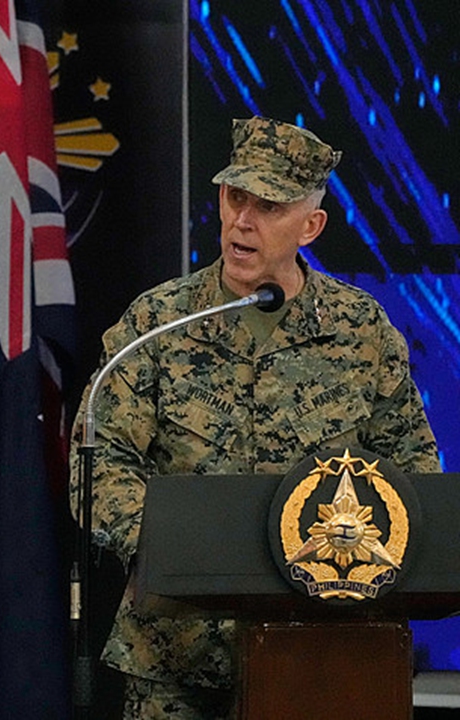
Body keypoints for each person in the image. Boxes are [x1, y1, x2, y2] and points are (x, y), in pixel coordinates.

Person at [69, 116, 441, 719]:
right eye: (236, 197)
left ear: (311, 226)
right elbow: (101, 463)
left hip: (323, 652)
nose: (243, 220)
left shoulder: (361, 330)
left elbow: (412, 472)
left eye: (269, 206)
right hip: (174, 658)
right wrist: (173, 552)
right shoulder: (158, 324)